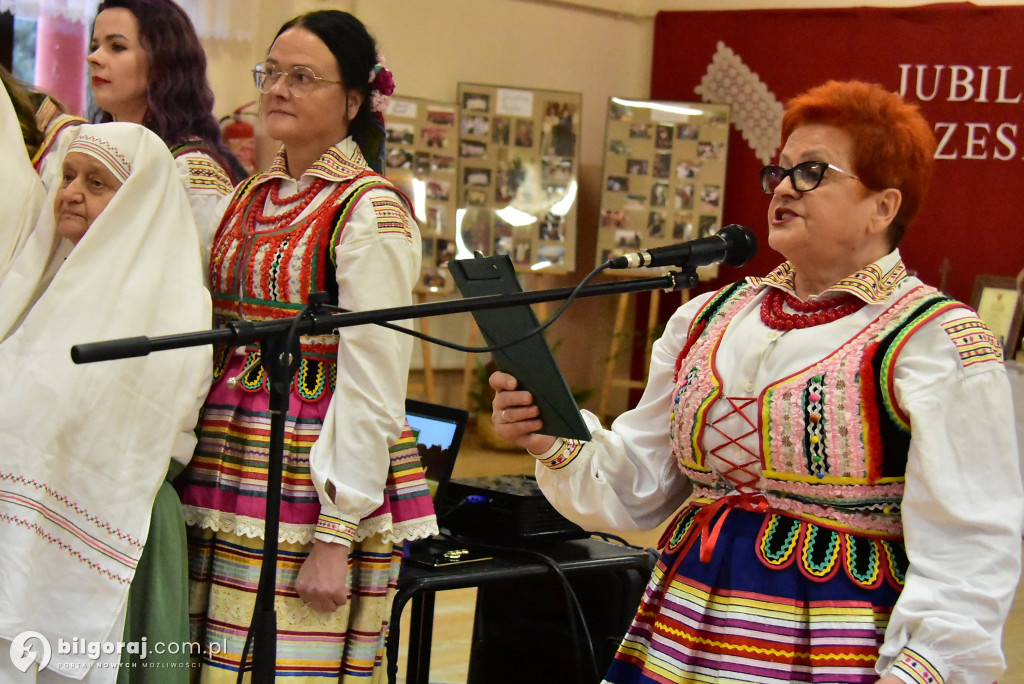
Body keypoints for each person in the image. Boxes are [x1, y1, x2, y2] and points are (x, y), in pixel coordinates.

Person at [491, 80, 1023, 684]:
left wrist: (923, 669)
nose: (785, 187)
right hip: (685, 623)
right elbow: (640, 485)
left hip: (835, 644)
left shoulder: (934, 340)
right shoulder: (709, 318)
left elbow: (971, 545)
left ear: (883, 206)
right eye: (782, 171)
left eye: (814, 171)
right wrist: (552, 435)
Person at [175, 10, 433, 681]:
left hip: (309, 475)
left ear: (352, 101)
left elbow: (375, 378)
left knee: (285, 662)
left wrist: (334, 534)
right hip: (228, 467)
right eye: (272, 74)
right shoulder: (250, 197)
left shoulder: (368, 211)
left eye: (303, 78)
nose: (279, 90)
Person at [0, 122, 212, 682]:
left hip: (107, 530)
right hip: (24, 520)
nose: (70, 192)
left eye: (97, 184)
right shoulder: (40, 280)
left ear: (139, 204)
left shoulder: (169, 306)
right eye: (69, 176)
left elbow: (115, 432)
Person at [88, 0, 246, 241]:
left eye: (117, 46)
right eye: (94, 46)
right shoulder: (96, 149)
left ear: (161, 62)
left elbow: (193, 270)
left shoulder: (190, 169)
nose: (94, 58)